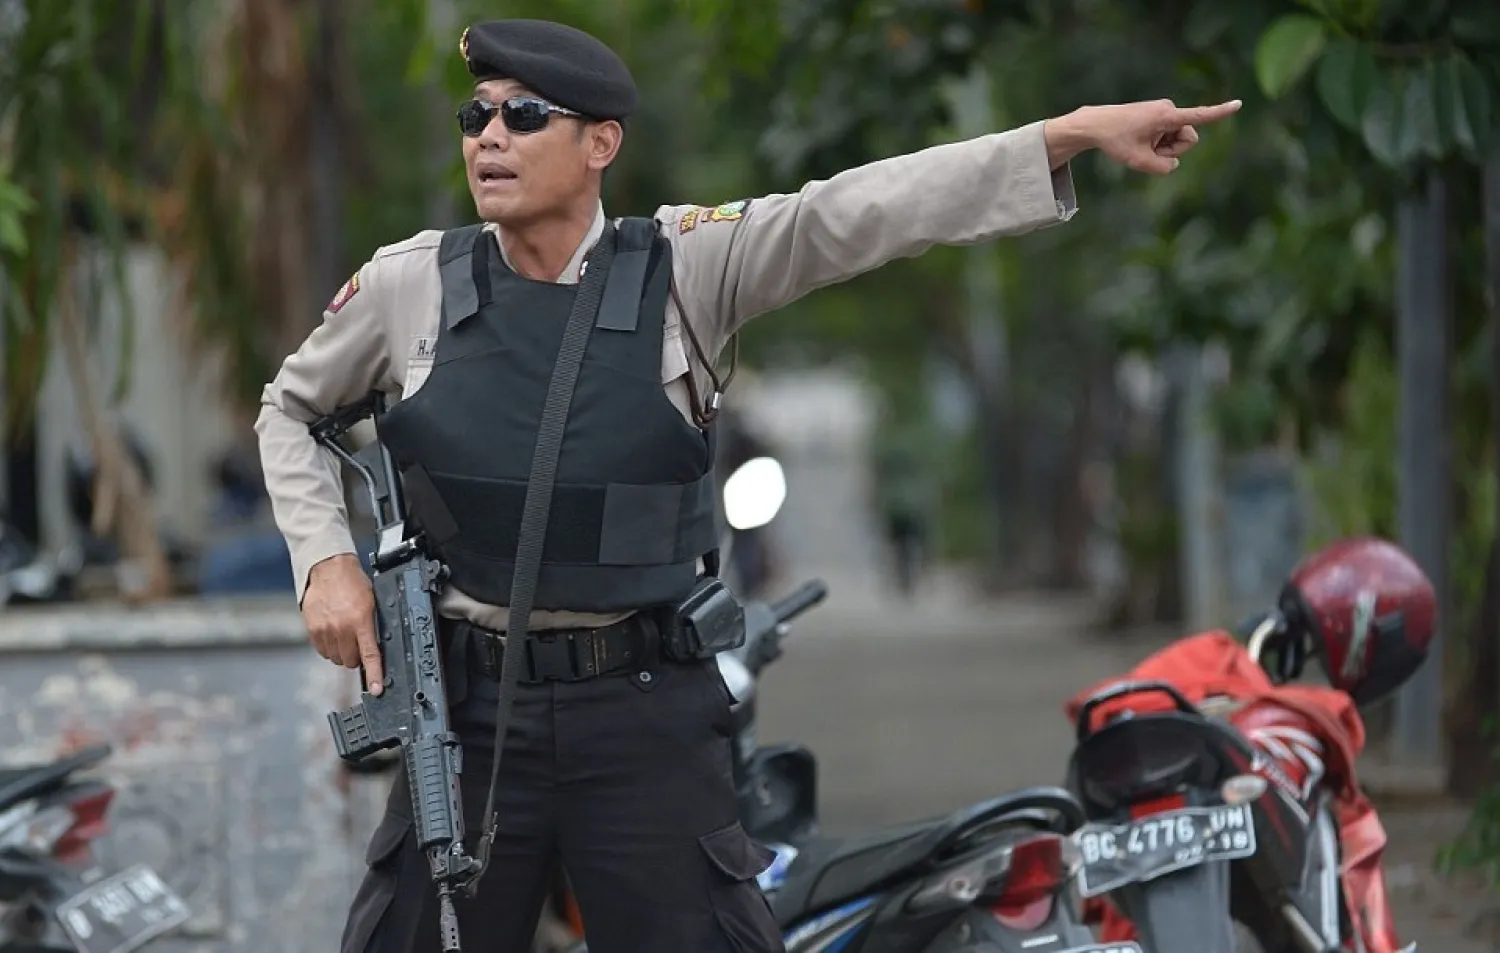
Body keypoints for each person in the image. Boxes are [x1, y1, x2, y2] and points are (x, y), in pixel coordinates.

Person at [254, 16, 1241, 953]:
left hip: (641, 710)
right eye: (476, 115)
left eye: (523, 114)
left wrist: (1064, 136)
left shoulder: (686, 264)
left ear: (601, 143)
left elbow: (858, 212)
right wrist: (325, 562)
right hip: (471, 715)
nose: (489, 138)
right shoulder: (412, 284)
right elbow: (289, 410)